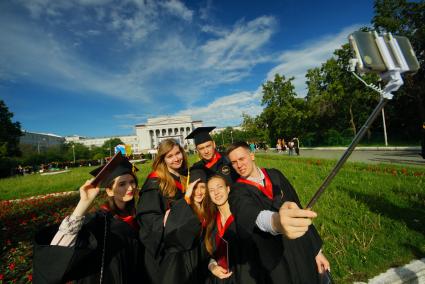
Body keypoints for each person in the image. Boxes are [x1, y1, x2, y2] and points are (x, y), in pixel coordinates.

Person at [226, 141, 330, 284]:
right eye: (234, 162)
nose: (239, 165)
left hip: (300, 248)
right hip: (275, 259)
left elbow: (300, 211)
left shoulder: (276, 175)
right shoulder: (237, 192)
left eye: (241, 159)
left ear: (251, 155)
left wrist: (317, 252)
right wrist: (277, 221)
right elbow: (250, 215)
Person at [33, 152, 144, 283]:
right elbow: (57, 252)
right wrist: (83, 204)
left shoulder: (137, 215)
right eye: (122, 184)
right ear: (109, 191)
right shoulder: (100, 221)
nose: (130, 187)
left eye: (132, 182)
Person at [136, 138, 203, 284]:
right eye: (170, 156)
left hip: (189, 245)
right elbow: (149, 220)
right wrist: (172, 216)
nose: (176, 159)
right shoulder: (155, 183)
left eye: (178, 153)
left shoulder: (185, 176)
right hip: (169, 252)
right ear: (163, 159)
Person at [203, 174, 261, 284]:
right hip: (220, 279)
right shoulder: (211, 222)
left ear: (228, 189)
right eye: (211, 190)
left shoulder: (242, 217)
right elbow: (211, 253)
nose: (216, 192)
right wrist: (212, 266)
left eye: (220, 187)